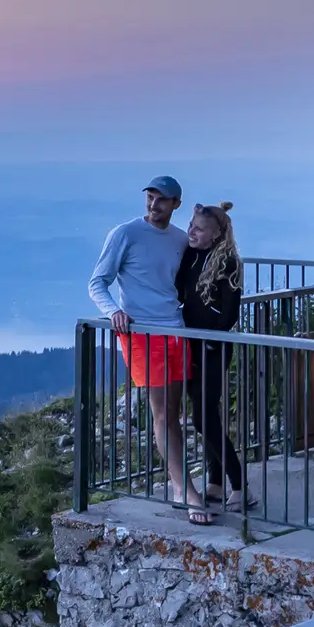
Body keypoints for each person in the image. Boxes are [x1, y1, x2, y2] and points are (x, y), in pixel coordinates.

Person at [87, 175, 208, 522]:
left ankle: (179, 483)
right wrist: (114, 312)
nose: (154, 205)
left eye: (162, 200)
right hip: (142, 335)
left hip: (176, 331)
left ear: (176, 205)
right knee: (163, 414)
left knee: (175, 414)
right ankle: (185, 488)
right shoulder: (124, 234)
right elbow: (97, 282)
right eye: (151, 198)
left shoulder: (180, 240)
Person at [178, 202, 247, 511]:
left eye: (199, 228)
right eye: (191, 225)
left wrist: (211, 337)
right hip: (192, 343)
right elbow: (182, 294)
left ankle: (240, 484)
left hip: (213, 347)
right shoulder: (190, 256)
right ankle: (216, 481)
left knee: (204, 417)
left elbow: (230, 310)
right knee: (205, 414)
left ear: (216, 234)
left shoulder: (228, 263)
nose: (191, 231)